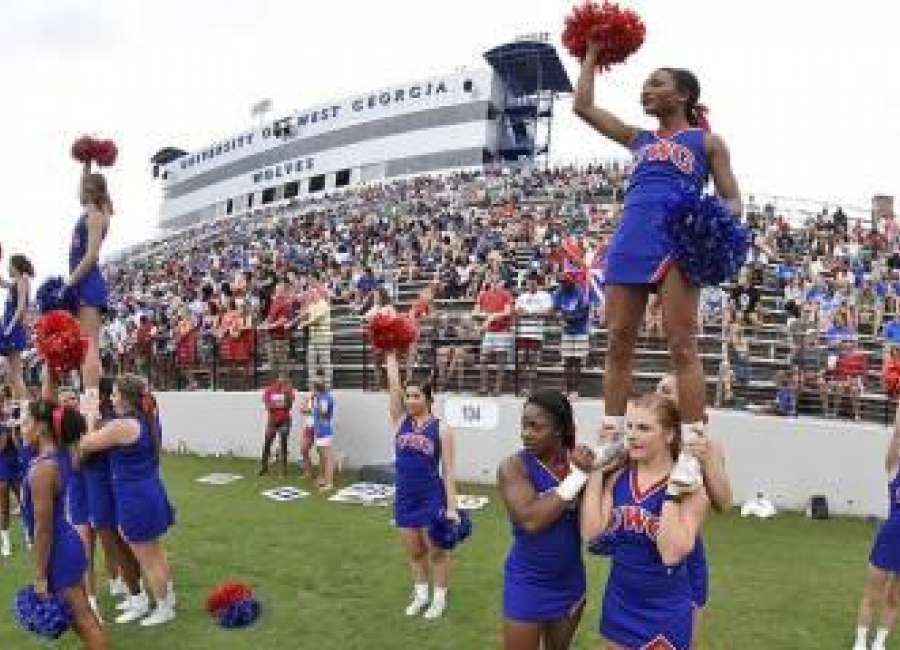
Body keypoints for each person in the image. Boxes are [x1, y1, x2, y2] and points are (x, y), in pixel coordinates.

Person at [573, 43, 741, 492]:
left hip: (675, 242)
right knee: (618, 343)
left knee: (682, 345)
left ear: (683, 93)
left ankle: (691, 450)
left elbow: (733, 200)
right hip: (630, 238)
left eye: (657, 83)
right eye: (646, 84)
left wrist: (713, 228)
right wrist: (590, 53)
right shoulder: (639, 139)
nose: (646, 91)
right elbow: (583, 106)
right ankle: (611, 438)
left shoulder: (707, 142)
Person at [581, 393, 710, 649]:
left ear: (669, 435)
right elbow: (591, 533)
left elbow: (671, 553)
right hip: (620, 600)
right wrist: (597, 471)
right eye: (629, 426)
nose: (632, 435)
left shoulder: (692, 490)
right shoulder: (618, 478)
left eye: (644, 428)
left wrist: (672, 493)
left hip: (664, 609)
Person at [498, 389, 595, 649]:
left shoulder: (580, 462)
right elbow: (531, 520)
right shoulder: (513, 467)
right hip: (527, 582)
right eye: (523, 425)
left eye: (535, 426)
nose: (525, 433)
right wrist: (577, 479)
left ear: (559, 430)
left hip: (569, 581)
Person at [76, 374, 176, 626]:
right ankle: (167, 598)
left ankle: (164, 608)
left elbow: (86, 443)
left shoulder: (124, 425)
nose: (111, 397)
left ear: (125, 398)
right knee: (155, 552)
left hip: (135, 497)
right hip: (148, 489)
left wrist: (88, 415)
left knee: (148, 557)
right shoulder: (146, 419)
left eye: (115, 394)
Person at [20, 397, 106, 648]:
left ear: (42, 428)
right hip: (66, 543)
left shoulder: (43, 470)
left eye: (26, 422)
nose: (22, 428)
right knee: (84, 618)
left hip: (59, 550)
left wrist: (39, 576)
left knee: (83, 621)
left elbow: (43, 528)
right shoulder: (56, 454)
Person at [656, 374, 733, 647]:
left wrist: (706, 460)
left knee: (683, 642)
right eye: (657, 390)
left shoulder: (708, 447)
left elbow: (724, 502)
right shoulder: (645, 442)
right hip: (641, 552)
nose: (659, 395)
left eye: (666, 390)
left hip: (686, 554)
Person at [385, 349, 459, 619]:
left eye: (416, 395)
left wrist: (452, 508)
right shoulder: (399, 421)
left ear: (428, 398)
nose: (411, 400)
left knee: (436, 551)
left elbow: (449, 471)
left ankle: (439, 597)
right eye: (408, 396)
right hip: (405, 496)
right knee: (414, 551)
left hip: (431, 496)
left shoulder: (442, 429)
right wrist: (390, 351)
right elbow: (393, 386)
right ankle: (421, 595)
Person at [851, 396, 900, 650]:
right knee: (873, 593)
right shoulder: (894, 469)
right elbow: (896, 437)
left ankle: (879, 643)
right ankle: (860, 641)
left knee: (895, 597)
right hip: (890, 537)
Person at [67, 162, 113, 422]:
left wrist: (70, 283)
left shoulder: (96, 214)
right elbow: (82, 189)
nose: (78, 192)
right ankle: (95, 404)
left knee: (90, 347)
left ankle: (91, 409)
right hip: (84, 281)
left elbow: (92, 255)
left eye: (83, 187)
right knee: (88, 347)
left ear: (91, 191)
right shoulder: (96, 209)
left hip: (87, 281)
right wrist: (86, 164)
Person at [1, 255, 33, 418]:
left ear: (16, 266)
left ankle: (26, 411)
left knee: (16, 373)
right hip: (8, 326)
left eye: (9, 265)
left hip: (12, 328)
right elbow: (2, 283)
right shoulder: (15, 282)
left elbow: (20, 308)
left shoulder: (23, 279)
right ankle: (17, 410)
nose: (8, 268)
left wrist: (9, 328)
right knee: (10, 374)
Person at [553, 270, 592, 399]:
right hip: (567, 331)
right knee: (567, 361)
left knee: (577, 362)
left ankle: (575, 390)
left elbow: (583, 313)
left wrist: (566, 318)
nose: (563, 285)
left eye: (565, 282)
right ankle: (566, 388)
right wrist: (560, 318)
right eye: (562, 282)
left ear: (571, 282)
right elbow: (556, 309)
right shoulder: (559, 292)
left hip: (580, 331)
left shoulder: (581, 293)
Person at [514, 272, 553, 396]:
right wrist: (535, 313)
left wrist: (529, 313)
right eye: (529, 281)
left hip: (536, 333)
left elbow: (547, 311)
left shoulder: (545, 295)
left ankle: (531, 389)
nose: (531, 283)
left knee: (533, 361)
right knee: (521, 361)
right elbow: (518, 311)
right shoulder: (522, 296)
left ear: (537, 282)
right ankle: (522, 387)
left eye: (533, 281)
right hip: (522, 332)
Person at [259, 372, 295, 477]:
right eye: (281, 378)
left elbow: (288, 406)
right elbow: (268, 406)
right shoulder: (269, 390)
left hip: (285, 420)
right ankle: (264, 467)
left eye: (285, 378)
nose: (283, 380)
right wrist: (278, 404)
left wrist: (286, 395)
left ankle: (283, 470)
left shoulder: (289, 391)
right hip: (272, 421)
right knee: (267, 443)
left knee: (283, 444)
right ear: (277, 379)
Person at [0, 388, 21, 557]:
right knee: (4, 504)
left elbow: (18, 443)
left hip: (14, 460)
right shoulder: (5, 421)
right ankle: (5, 541)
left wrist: (12, 427)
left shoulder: (10, 417)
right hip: (1, 463)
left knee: (24, 499)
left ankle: (30, 535)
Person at [311, 371, 336, 491]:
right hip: (320, 430)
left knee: (327, 457)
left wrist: (316, 401)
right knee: (321, 455)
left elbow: (324, 413)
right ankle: (323, 479)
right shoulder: (319, 397)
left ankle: (329, 483)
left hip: (324, 430)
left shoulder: (324, 398)